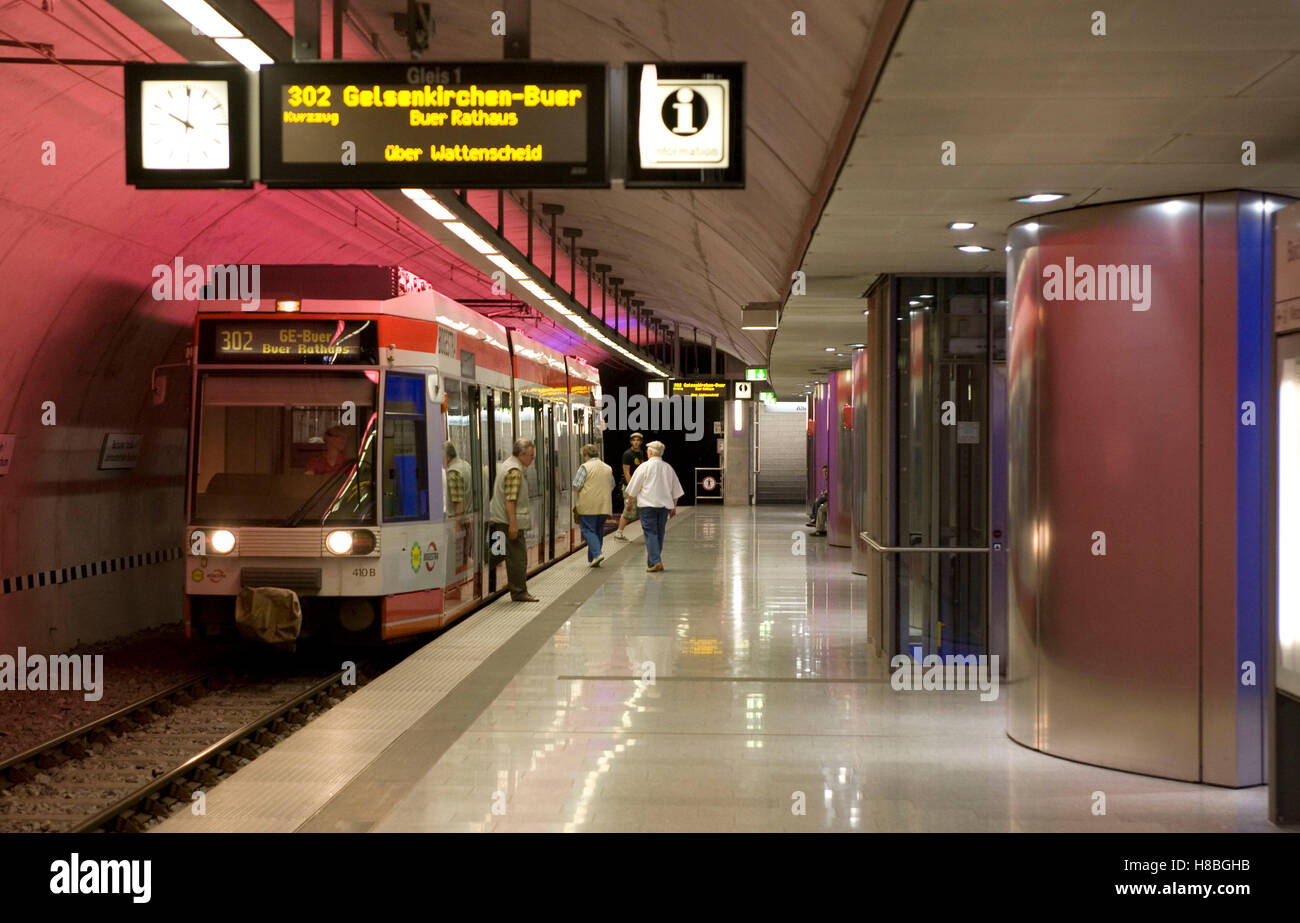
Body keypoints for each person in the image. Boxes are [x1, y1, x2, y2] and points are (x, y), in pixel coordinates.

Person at [488, 439, 538, 602]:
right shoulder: (514, 471)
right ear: (521, 454)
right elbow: (510, 500)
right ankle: (519, 592)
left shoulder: (508, 465)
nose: (532, 459)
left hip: (500, 519)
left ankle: (481, 567)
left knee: (500, 551)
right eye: (531, 456)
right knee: (518, 557)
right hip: (508, 521)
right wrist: (513, 524)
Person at [623, 440, 683, 572]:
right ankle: (653, 562)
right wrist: (674, 507)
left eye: (647, 451)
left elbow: (633, 487)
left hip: (647, 506)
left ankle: (656, 561)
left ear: (650, 452)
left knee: (650, 533)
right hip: (664, 507)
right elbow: (676, 490)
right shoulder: (668, 468)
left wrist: (629, 503)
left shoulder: (644, 467)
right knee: (659, 533)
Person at [572, 443, 614, 567]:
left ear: (586, 455)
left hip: (588, 506)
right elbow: (612, 485)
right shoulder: (608, 468)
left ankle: (597, 554)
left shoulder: (585, 467)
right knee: (598, 531)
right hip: (605, 506)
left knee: (588, 530)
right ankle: (592, 560)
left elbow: (576, 485)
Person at [613, 432, 647, 540]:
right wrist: (632, 488)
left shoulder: (641, 453)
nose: (636, 442)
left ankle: (647, 533)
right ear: (631, 441)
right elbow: (627, 472)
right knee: (629, 509)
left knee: (642, 509)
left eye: (638, 440)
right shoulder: (628, 454)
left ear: (641, 442)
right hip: (630, 486)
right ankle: (619, 532)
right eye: (634, 440)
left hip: (639, 487)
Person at [444, 440, 472, 516]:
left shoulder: (453, 472)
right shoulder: (465, 464)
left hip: (458, 521)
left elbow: (458, 505)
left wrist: (457, 526)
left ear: (447, 456)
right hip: (468, 517)